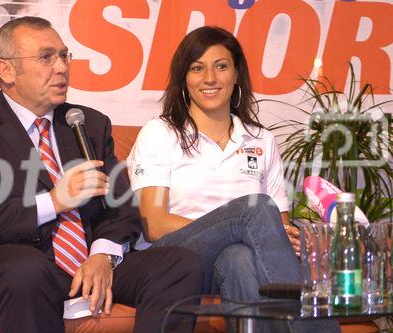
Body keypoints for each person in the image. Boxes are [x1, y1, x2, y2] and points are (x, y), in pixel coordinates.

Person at [0, 16, 203, 333]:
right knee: (26, 269)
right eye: (46, 57)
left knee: (180, 265)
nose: (61, 67)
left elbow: (121, 209)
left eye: (64, 55)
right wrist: (54, 201)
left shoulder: (88, 123)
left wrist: (103, 256)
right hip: (12, 262)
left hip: (86, 265)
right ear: (7, 71)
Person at [127, 26, 340, 332]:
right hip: (178, 258)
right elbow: (155, 225)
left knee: (237, 258)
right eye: (197, 68)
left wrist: (282, 235)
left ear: (237, 74)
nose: (209, 78)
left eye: (221, 66)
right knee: (253, 209)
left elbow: (277, 227)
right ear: (184, 79)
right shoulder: (160, 132)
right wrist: (237, 227)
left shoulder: (261, 139)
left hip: (233, 261)